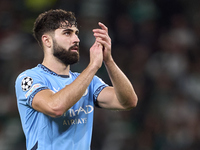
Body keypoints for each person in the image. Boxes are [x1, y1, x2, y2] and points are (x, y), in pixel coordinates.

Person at [15, 9, 138, 150]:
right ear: (47, 40)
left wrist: (108, 60)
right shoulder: (29, 78)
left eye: (76, 33)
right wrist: (93, 66)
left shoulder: (88, 81)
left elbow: (128, 101)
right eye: (67, 33)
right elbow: (55, 107)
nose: (76, 39)